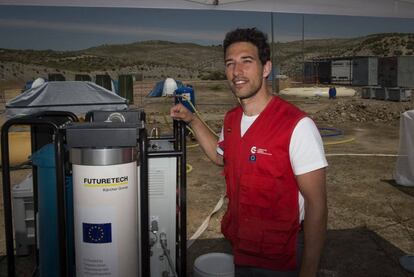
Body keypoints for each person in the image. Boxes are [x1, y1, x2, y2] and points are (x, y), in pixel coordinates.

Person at [171, 27, 328, 276]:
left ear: (266, 68)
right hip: (242, 247)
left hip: (281, 257)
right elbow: (220, 157)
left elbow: (316, 204)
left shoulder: (297, 125)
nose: (237, 72)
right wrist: (192, 120)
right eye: (230, 63)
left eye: (247, 61)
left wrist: (308, 270)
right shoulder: (231, 120)